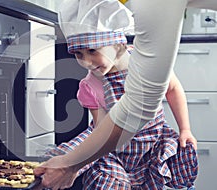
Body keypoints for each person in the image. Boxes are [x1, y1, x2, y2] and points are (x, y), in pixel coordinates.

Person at [34, 0, 217, 189]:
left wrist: (185, 129)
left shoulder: (144, 64)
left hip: (154, 144)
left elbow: (173, 89)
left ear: (119, 44)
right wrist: (71, 163)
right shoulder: (89, 86)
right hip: (115, 153)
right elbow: (101, 133)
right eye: (79, 54)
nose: (87, 62)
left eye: (92, 51)